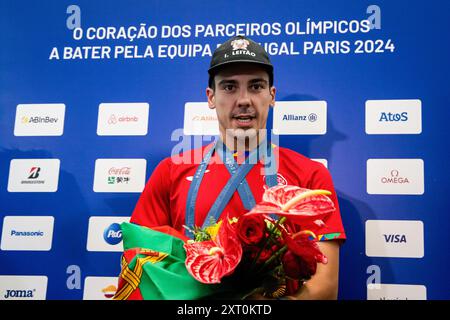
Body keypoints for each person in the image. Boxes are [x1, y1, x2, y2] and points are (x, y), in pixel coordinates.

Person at [130, 35, 346, 300]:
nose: (244, 99)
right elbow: (142, 262)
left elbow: (325, 287)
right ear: (211, 97)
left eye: (256, 86)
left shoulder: (311, 176)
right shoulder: (170, 170)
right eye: (230, 87)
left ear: (272, 95)